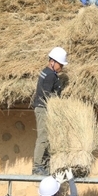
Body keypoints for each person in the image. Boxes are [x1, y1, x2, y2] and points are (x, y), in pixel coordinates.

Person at [32, 47, 68, 176]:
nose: (61, 68)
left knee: (47, 138)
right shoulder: (50, 76)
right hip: (42, 108)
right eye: (60, 65)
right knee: (43, 137)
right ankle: (37, 167)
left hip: (43, 107)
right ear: (53, 62)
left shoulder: (46, 72)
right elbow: (46, 95)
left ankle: (45, 166)